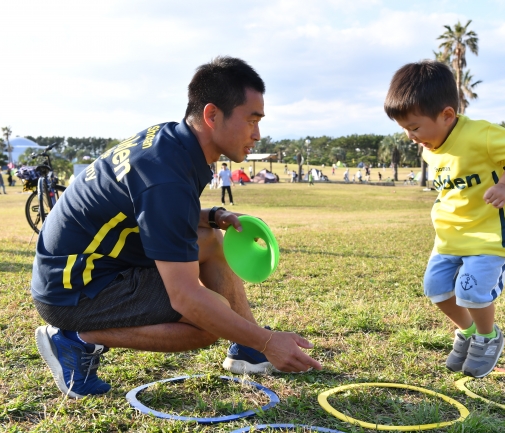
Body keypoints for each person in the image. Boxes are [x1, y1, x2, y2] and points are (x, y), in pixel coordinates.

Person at [31, 56, 321, 399]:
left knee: (210, 238)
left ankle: (247, 351)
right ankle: (73, 339)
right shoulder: (167, 174)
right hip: (71, 289)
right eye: (251, 121)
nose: (257, 135)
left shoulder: (172, 142)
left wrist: (210, 215)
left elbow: (150, 208)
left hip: (92, 265)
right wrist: (270, 342)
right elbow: (186, 298)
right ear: (212, 115)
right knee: (204, 320)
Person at [384, 60, 505, 378]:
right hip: (448, 237)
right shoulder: (429, 147)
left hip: (487, 234)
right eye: (405, 129)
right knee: (436, 288)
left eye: (414, 127)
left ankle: (487, 336)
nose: (411, 137)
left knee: (471, 292)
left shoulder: (482, 135)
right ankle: (467, 332)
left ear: (447, 115)